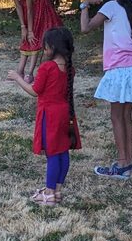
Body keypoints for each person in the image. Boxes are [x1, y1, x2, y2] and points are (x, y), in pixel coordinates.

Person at [79, 0, 132, 179]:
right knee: (126, 116)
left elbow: (85, 28)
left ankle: (121, 165)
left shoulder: (110, 6)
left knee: (116, 117)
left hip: (120, 69)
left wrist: (84, 5)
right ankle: (128, 161)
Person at [7, 27, 81, 206]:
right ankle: (57, 190)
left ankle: (48, 194)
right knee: (63, 151)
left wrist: (18, 78)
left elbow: (34, 91)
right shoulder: (70, 69)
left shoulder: (47, 67)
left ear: (53, 47)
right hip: (65, 113)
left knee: (52, 154)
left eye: (45, 47)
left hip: (51, 115)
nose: (44, 50)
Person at [0, 0, 62, 82]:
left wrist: (30, 30)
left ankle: (30, 73)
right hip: (27, 7)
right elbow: (18, 6)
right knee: (27, 36)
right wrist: (23, 27)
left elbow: (30, 10)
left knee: (35, 36)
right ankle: (20, 71)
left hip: (39, 6)